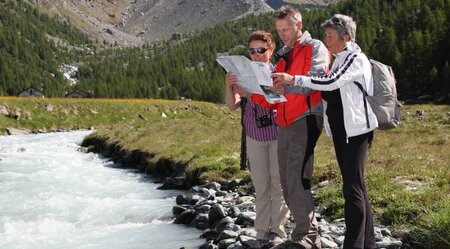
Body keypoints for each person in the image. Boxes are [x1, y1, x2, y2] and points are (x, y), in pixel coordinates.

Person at [272, 14, 378, 249]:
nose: (326, 40)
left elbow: (329, 82)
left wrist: (293, 79)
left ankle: (353, 244)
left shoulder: (355, 58)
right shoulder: (340, 58)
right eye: (326, 35)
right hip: (343, 132)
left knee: (352, 189)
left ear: (346, 37)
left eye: (330, 36)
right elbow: (328, 83)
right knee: (355, 186)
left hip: (356, 132)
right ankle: (368, 243)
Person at [250, 6, 329, 249]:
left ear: (299, 25)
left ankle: (307, 236)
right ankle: (305, 232)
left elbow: (318, 81)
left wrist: (289, 83)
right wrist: (251, 91)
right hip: (283, 123)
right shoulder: (285, 55)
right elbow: (274, 97)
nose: (283, 34)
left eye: (286, 29)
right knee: (286, 182)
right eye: (279, 30)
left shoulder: (315, 47)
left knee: (296, 179)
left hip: (305, 118)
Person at [225, 30, 290, 244]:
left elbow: (276, 100)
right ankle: (262, 231)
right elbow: (232, 105)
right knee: (261, 185)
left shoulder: (278, 71)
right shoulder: (241, 73)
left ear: (270, 50)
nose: (256, 54)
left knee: (278, 184)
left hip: (277, 133)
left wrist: (253, 94)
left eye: (261, 50)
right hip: (254, 134)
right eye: (252, 51)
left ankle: (278, 230)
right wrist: (230, 86)